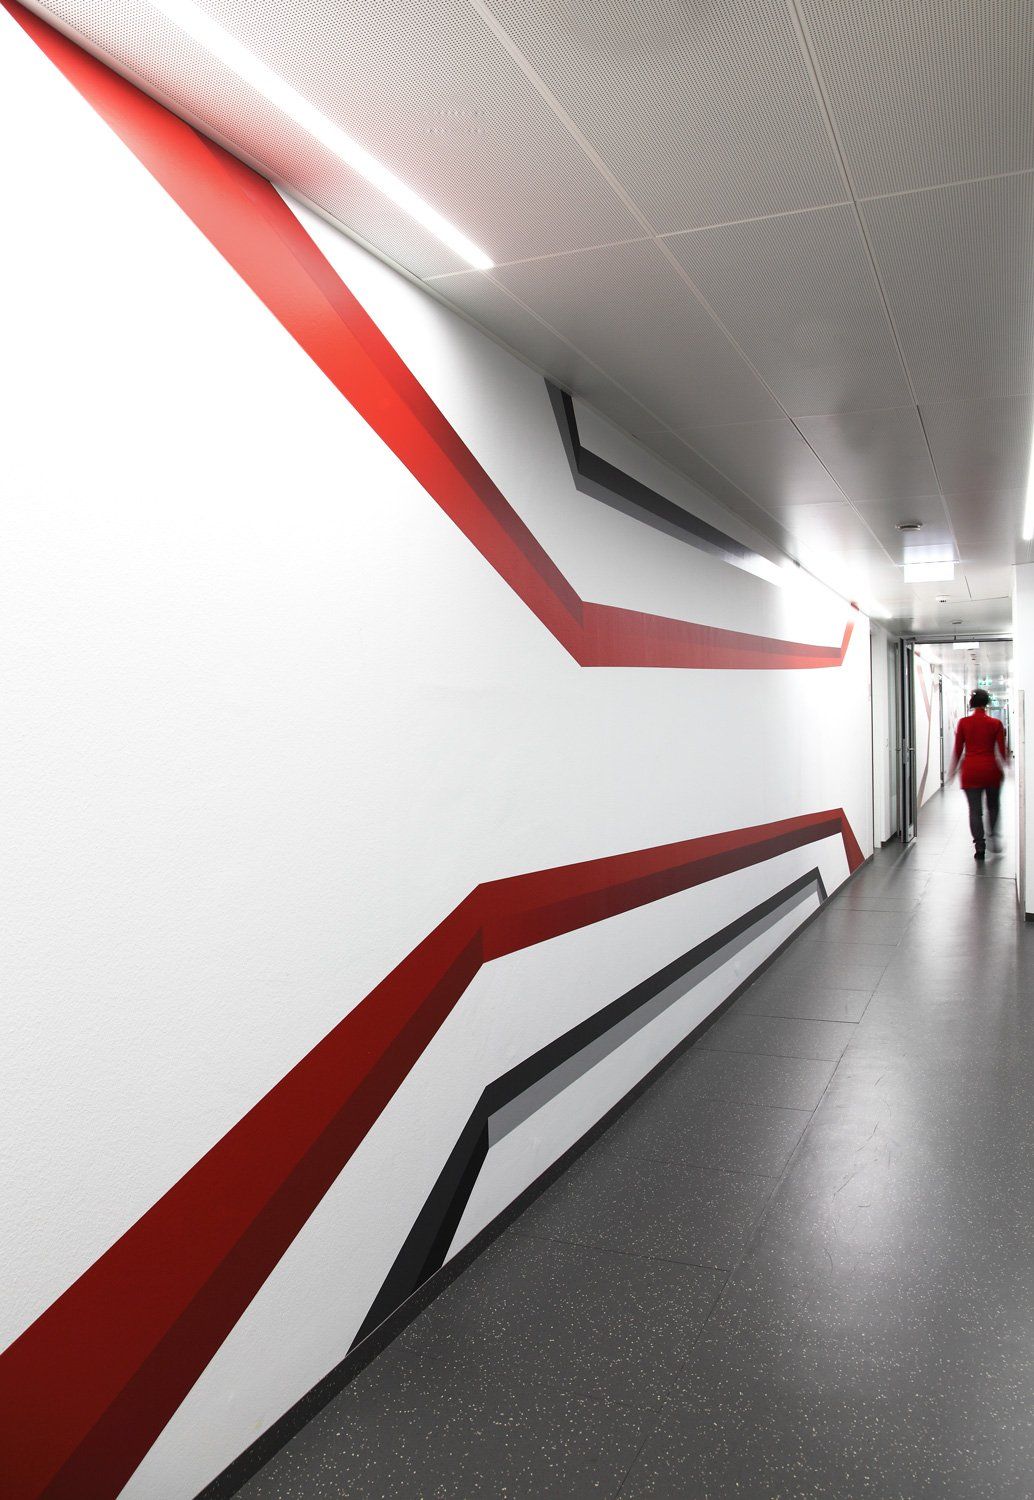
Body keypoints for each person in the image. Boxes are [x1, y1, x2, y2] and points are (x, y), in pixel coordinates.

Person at [949, 688, 1007, 860]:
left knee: (975, 811)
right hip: (991, 771)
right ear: (987, 703)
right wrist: (1006, 765)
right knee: (993, 806)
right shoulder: (995, 723)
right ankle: (993, 836)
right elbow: (1002, 751)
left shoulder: (964, 723)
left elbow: (958, 749)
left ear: (972, 703)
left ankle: (980, 847)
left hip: (971, 772)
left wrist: (952, 770)